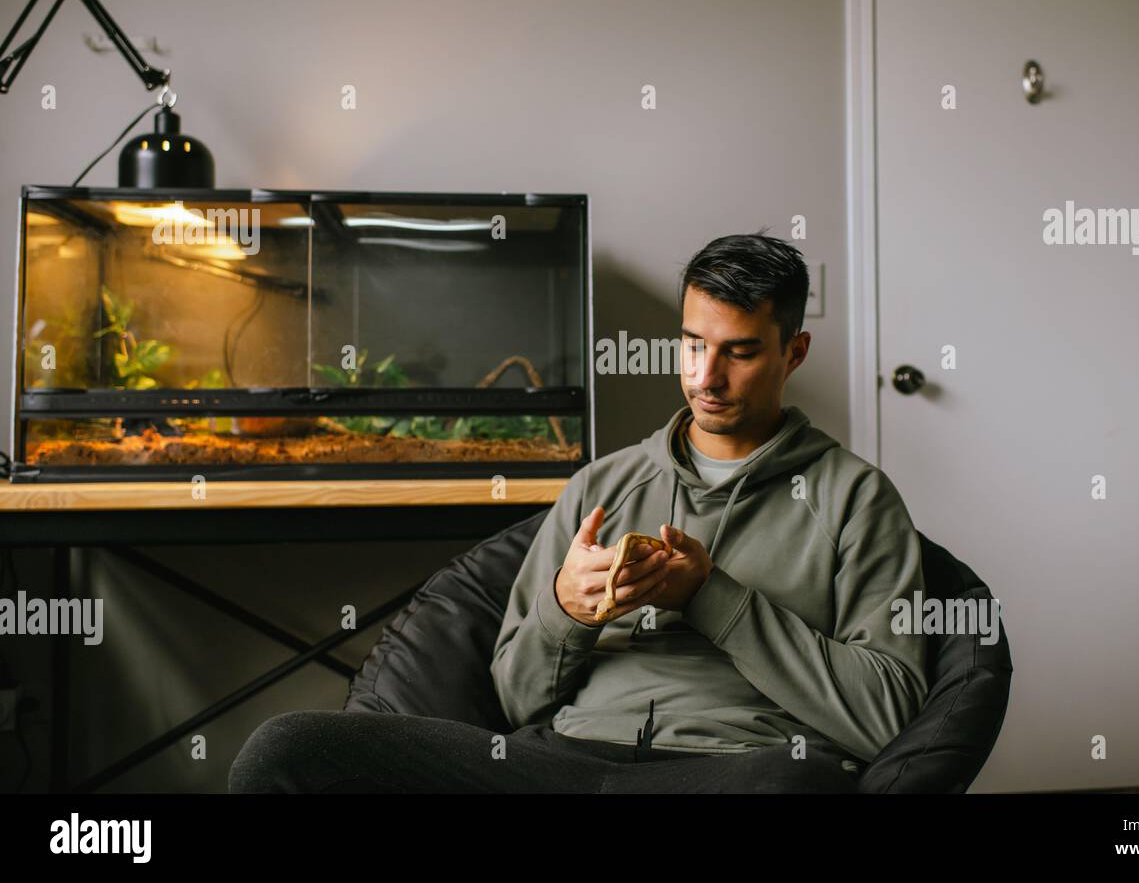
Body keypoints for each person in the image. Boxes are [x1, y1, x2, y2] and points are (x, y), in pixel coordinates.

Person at [228, 232, 928, 793]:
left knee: (794, 787)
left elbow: (885, 717)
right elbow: (514, 701)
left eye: (739, 353)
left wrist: (712, 598)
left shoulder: (857, 499)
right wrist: (567, 611)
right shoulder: (604, 483)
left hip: (740, 767)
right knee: (287, 748)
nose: (705, 377)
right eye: (691, 345)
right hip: (560, 760)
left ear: (793, 351)